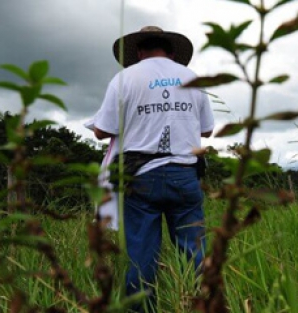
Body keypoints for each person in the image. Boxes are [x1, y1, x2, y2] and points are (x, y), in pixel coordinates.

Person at [92, 26, 214, 312]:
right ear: (172, 52)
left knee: (141, 255)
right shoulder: (192, 78)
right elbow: (207, 130)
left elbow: (101, 131)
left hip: (140, 175)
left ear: (137, 52)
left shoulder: (125, 78)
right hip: (185, 173)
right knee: (194, 251)